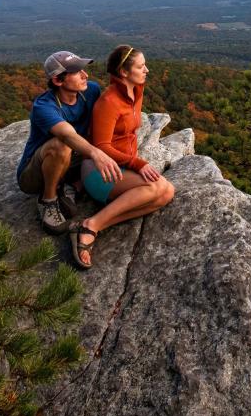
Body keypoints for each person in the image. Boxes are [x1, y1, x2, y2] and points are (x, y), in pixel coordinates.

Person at [70, 44, 175, 269]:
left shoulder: (136, 90)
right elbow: (100, 147)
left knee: (167, 194)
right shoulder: (108, 102)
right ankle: (90, 225)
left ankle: (100, 223)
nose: (146, 70)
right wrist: (137, 163)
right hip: (99, 170)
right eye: (141, 66)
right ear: (124, 72)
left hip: (121, 167)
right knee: (156, 188)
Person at [17, 50, 122, 235]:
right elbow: (67, 136)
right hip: (34, 174)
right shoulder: (44, 107)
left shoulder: (91, 90)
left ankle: (71, 186)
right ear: (58, 80)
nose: (85, 75)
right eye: (77, 72)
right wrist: (97, 154)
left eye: (83, 70)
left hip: (72, 162)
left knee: (98, 139)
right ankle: (48, 199)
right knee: (61, 145)